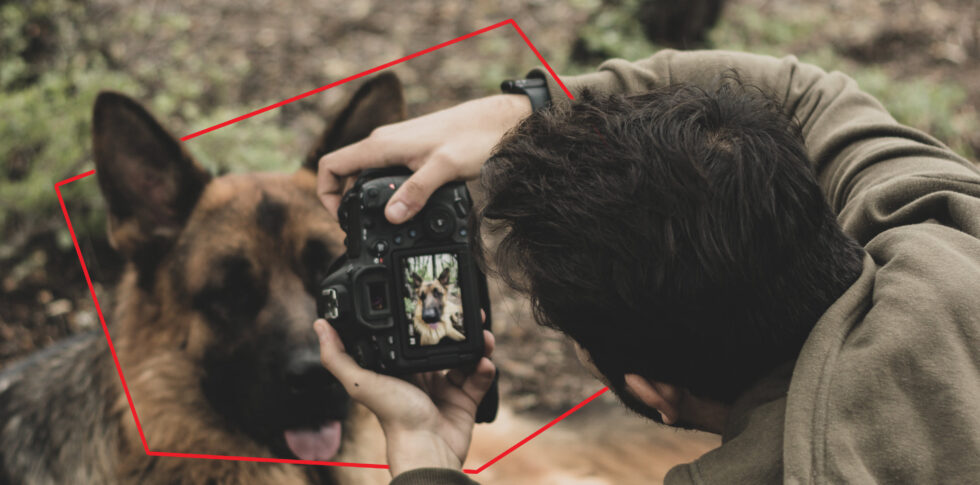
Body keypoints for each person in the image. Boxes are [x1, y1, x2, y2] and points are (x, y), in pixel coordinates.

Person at [313, 50, 980, 484]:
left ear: (654, 392)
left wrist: (424, 451)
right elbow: (803, 91)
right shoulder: (944, 235)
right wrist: (524, 110)